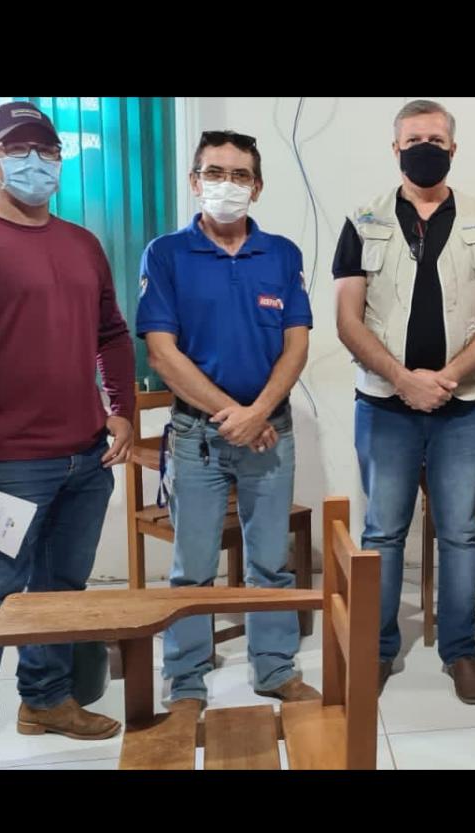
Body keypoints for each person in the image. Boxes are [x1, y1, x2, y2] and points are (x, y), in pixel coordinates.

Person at [0, 101, 135, 769]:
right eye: (18, 150)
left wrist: (122, 409)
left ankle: (45, 700)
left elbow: (111, 333)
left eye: (47, 151)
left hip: (85, 457)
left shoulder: (82, 244)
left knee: (61, 592)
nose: (35, 162)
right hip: (5, 465)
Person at [333, 100, 475, 704]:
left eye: (435, 139)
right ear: (395, 149)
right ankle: (379, 649)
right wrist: (403, 379)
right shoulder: (362, 221)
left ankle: (460, 652)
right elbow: (347, 319)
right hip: (384, 405)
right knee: (384, 533)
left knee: (460, 533)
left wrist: (447, 377)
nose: (424, 148)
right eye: (413, 140)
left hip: (464, 406)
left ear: (453, 148)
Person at [136, 130, 317, 712]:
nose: (227, 185)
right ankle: (186, 677)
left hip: (270, 432)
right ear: (195, 181)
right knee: (192, 567)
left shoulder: (282, 254)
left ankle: (275, 667)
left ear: (257, 188)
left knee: (271, 561)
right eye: (215, 173)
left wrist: (258, 413)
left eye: (240, 175)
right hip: (198, 437)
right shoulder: (166, 254)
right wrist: (233, 415)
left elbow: (296, 345)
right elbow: (162, 353)